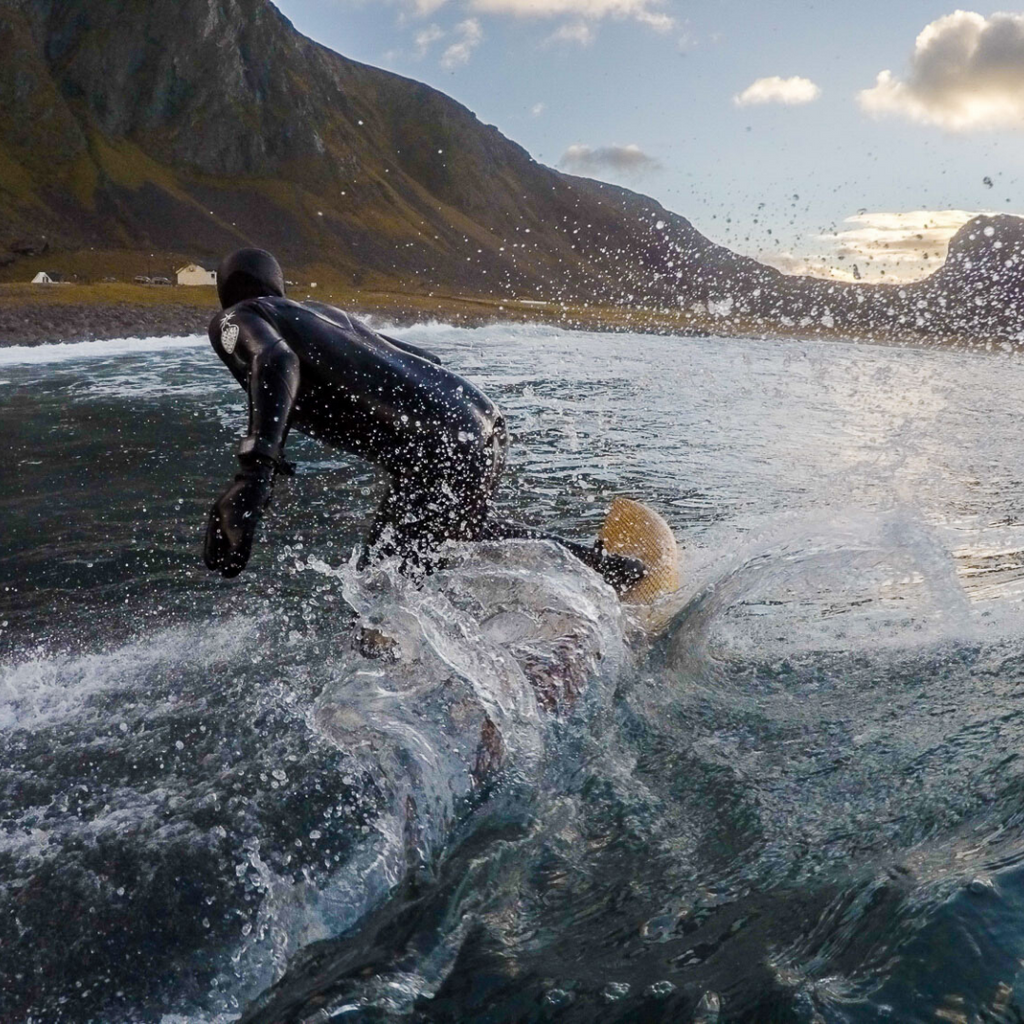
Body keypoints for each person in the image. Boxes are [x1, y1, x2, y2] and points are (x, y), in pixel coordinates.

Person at [202, 248, 645, 591]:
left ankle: (599, 579)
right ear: (279, 286)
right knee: (453, 533)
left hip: (436, 443)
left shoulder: (236, 317)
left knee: (382, 588)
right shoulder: (324, 314)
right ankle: (604, 570)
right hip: (481, 419)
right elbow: (424, 357)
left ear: (226, 290)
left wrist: (253, 475)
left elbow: (274, 358)